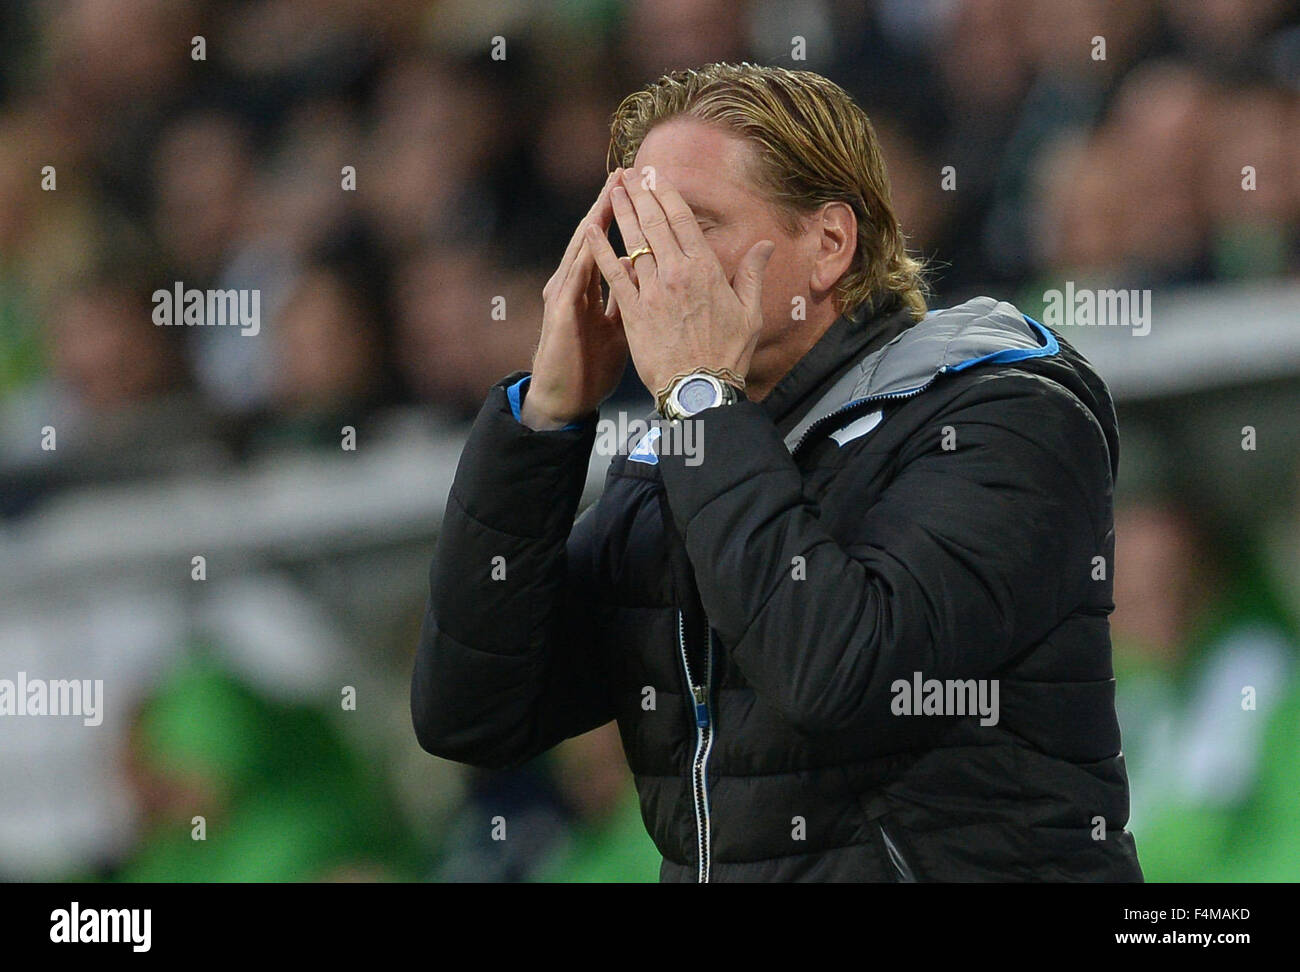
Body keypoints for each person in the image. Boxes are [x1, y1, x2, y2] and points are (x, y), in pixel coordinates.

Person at [411, 63, 1143, 882]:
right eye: (640, 233)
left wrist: (699, 398)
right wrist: (545, 419)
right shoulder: (678, 457)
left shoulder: (1000, 411)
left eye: (693, 227)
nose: (657, 266)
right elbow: (471, 716)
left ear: (829, 243)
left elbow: (842, 679)